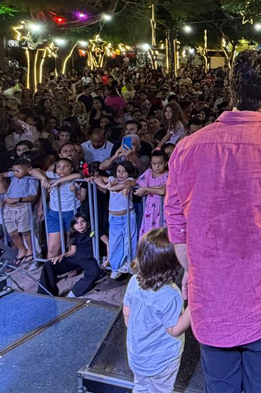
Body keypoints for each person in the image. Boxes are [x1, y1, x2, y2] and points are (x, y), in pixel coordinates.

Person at [165, 50, 261, 393]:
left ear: (234, 92)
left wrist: (198, 271)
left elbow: (176, 225)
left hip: (211, 301)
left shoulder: (187, 147)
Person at [123, 228, 192, 393]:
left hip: (137, 355)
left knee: (140, 387)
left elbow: (127, 313)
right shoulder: (170, 295)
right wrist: (194, 306)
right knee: (160, 390)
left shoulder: (134, 281)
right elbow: (174, 330)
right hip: (162, 360)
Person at [38, 213, 102, 297]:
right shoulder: (74, 235)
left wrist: (108, 259)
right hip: (75, 258)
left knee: (94, 272)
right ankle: (46, 293)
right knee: (48, 264)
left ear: (87, 223)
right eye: (77, 223)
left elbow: (107, 243)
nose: (80, 225)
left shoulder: (93, 232)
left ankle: (74, 292)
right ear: (73, 225)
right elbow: (72, 251)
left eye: (83, 222)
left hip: (88, 259)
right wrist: (61, 256)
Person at [93, 161, 138, 279]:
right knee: (115, 242)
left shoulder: (129, 181)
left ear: (129, 173)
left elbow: (121, 186)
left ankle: (129, 263)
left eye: (124, 171)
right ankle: (115, 267)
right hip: (114, 217)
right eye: (119, 171)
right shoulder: (112, 179)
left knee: (130, 240)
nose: (121, 174)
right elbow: (97, 178)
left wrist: (110, 187)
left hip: (128, 215)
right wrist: (105, 186)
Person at [0, 157, 40, 263]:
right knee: (12, 232)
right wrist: (0, 184)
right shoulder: (13, 175)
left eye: (18, 170)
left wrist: (17, 199)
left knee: (25, 231)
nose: (15, 172)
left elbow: (32, 196)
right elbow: (0, 175)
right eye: (14, 170)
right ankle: (22, 249)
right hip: (9, 208)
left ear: (28, 169)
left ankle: (30, 250)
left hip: (22, 207)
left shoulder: (31, 179)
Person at [137, 150, 169, 239]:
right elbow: (140, 188)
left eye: (160, 163)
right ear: (151, 163)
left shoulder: (168, 175)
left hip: (162, 208)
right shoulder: (148, 172)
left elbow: (162, 191)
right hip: (149, 209)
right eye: (154, 164)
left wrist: (146, 189)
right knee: (148, 232)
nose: (157, 166)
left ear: (166, 163)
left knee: (161, 232)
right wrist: (156, 189)